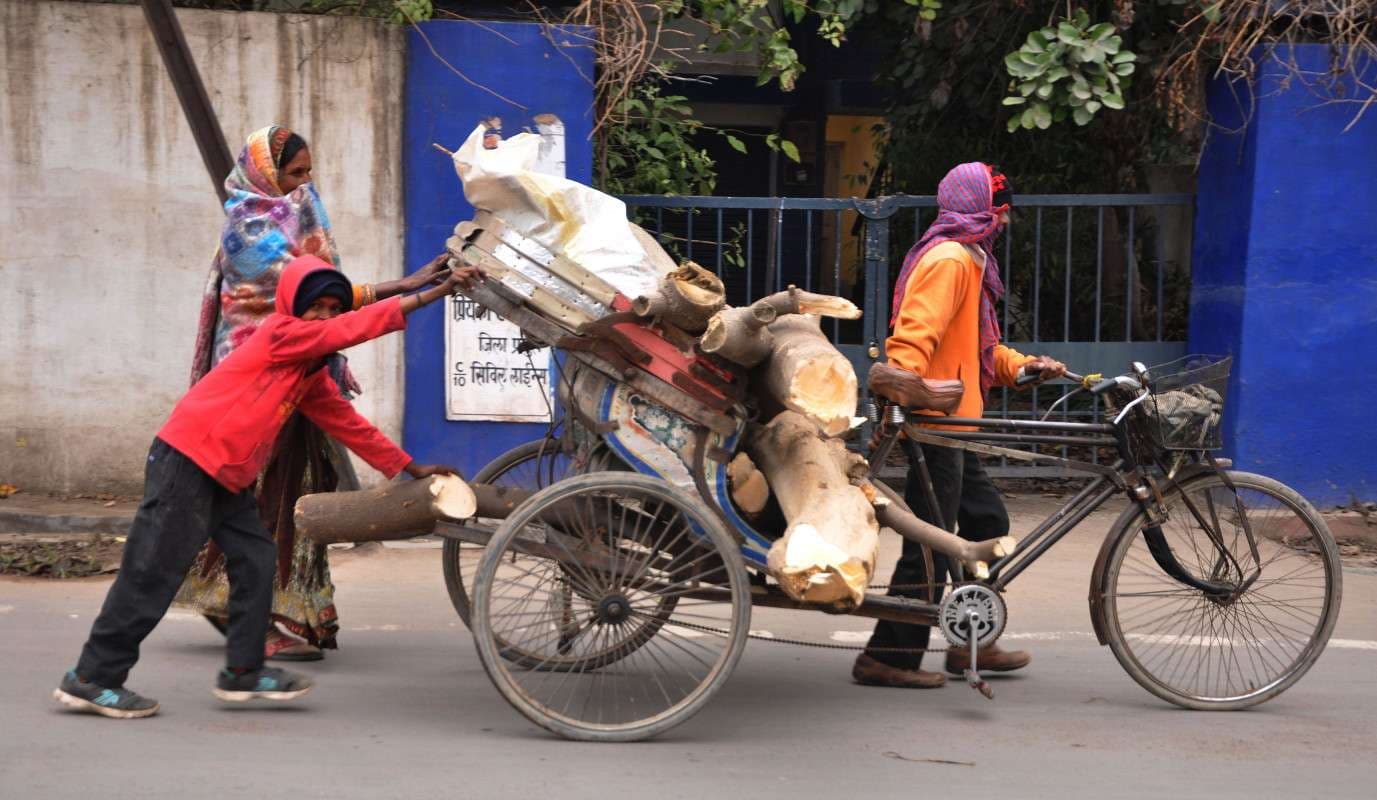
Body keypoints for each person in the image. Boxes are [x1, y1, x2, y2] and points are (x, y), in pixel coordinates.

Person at [53, 255, 481, 718]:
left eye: (331, 308)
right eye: (315, 308)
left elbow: (348, 423)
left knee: (257, 561)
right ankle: (93, 677)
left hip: (227, 475)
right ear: (294, 310)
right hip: (190, 461)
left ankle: (243, 673)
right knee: (151, 572)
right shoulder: (281, 335)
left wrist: (408, 466)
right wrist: (434, 293)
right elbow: (351, 328)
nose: (325, 317)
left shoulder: (307, 372)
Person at [178, 125, 448, 661]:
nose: (303, 183)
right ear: (265, 173)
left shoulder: (296, 207)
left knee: (302, 490)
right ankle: (249, 614)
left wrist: (406, 466)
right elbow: (315, 296)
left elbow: (325, 318)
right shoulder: (248, 230)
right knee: (269, 503)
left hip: (298, 375)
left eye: (307, 172)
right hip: (256, 388)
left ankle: (289, 603)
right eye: (293, 173)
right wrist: (411, 287)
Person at [852, 163, 1065, 688]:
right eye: (1000, 208)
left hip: (957, 426)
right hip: (935, 426)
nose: (1005, 219)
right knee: (930, 545)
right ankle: (889, 657)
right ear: (980, 210)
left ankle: (973, 641)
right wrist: (907, 393)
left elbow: (975, 349)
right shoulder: (950, 259)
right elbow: (913, 337)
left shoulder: (970, 258)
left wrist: (1021, 367)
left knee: (986, 525)